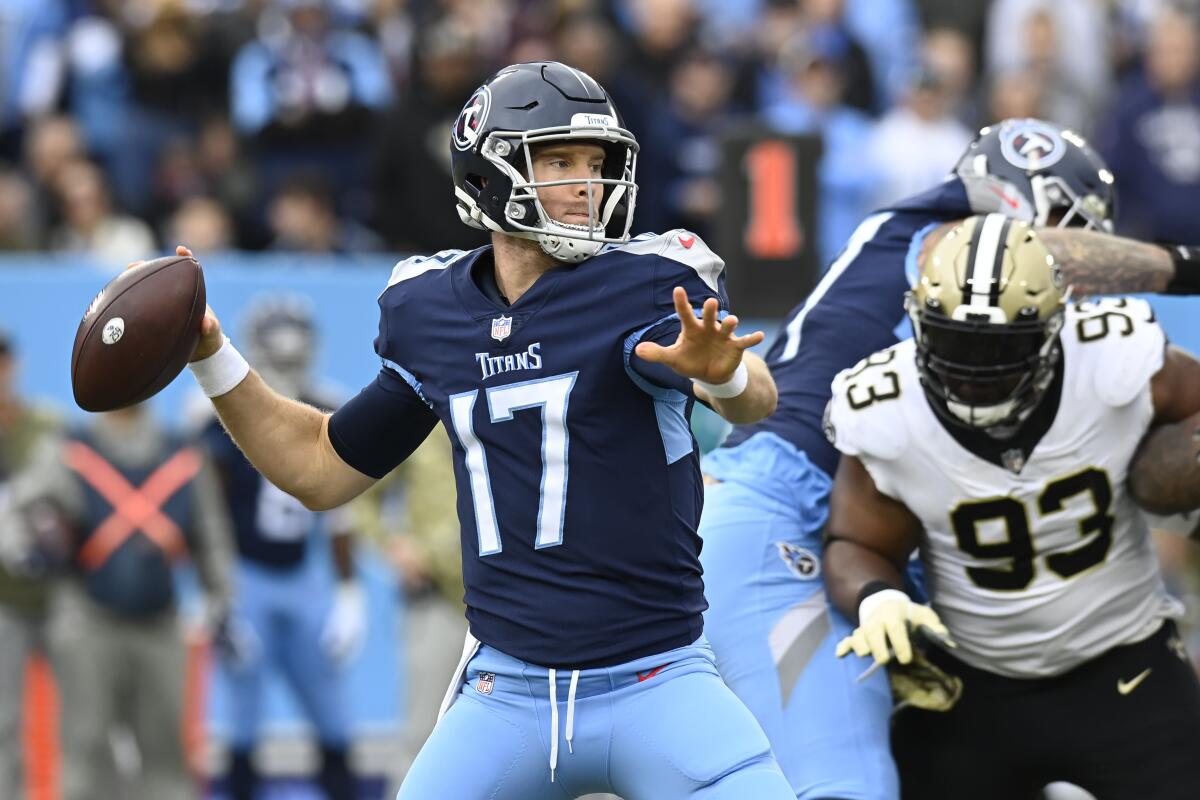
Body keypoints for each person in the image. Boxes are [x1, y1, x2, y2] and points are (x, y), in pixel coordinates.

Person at [176, 61, 791, 799]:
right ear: (490, 171)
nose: (586, 184)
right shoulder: (431, 309)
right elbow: (318, 466)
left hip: (658, 681)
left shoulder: (643, 283)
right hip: (508, 694)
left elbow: (752, 400)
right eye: (559, 160)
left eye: (596, 164)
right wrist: (212, 356)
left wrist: (722, 374)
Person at [697, 117, 1200, 800]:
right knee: (846, 786)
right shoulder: (946, 241)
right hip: (784, 512)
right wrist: (1184, 264)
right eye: (1075, 226)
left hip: (835, 511)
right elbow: (1035, 257)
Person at [823, 215, 1200, 799]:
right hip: (975, 685)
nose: (975, 371)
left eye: (1001, 346)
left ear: (1056, 325)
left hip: (1127, 662)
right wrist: (878, 597)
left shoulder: (1117, 358)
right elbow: (859, 543)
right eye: (954, 341)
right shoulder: (885, 411)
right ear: (918, 322)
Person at [4, 402, 234, 800]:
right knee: (86, 745)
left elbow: (211, 532)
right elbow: (18, 510)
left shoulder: (182, 455)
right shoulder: (72, 450)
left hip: (160, 621)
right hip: (89, 619)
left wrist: (220, 598)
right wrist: (22, 548)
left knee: (166, 751)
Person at [197, 297, 366, 800]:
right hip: (246, 578)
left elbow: (340, 511)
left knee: (333, 716)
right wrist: (216, 599)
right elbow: (209, 521)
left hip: (303, 579)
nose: (291, 363)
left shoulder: (328, 404)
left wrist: (350, 592)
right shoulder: (220, 417)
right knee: (243, 720)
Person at [0, 331, 60, 800]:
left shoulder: (45, 424)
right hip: (4, 601)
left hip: (63, 596)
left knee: (90, 713)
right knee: (3, 722)